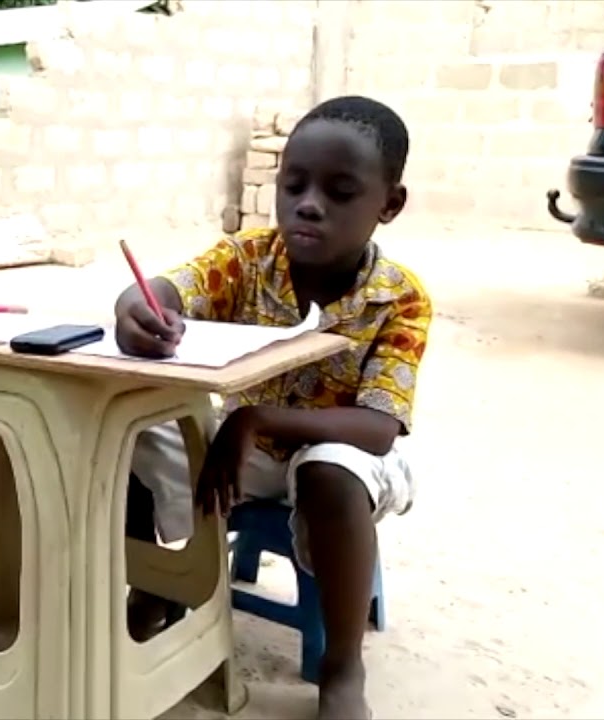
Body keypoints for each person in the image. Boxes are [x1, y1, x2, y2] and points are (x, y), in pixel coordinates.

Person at [115, 95, 431, 720]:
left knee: (329, 471)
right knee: (127, 423)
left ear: (388, 205)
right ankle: (157, 580)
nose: (308, 204)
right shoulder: (248, 260)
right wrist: (137, 309)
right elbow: (167, 286)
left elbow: (377, 428)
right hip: (243, 450)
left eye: (340, 191)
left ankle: (342, 664)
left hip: (347, 459)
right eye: (294, 185)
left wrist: (255, 419)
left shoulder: (400, 298)